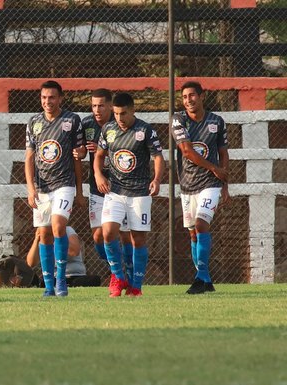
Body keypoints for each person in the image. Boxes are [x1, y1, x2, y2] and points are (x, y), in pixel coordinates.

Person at [94, 92, 165, 297]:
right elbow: (99, 156)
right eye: (115, 113)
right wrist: (99, 175)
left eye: (123, 113)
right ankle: (118, 277)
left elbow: (158, 157)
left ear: (132, 110)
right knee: (108, 232)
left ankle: (136, 286)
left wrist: (157, 180)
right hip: (115, 191)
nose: (119, 118)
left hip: (139, 193)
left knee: (138, 239)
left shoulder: (145, 130)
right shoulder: (108, 129)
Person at [25, 80, 86, 297]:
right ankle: (49, 286)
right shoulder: (33, 122)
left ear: (60, 98)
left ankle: (61, 280)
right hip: (42, 188)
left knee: (59, 226)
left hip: (64, 184)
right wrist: (30, 189)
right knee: (44, 233)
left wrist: (79, 191)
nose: (47, 101)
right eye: (44, 98)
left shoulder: (72, 120)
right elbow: (29, 158)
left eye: (51, 97)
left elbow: (79, 156)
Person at [172, 81, 230, 294]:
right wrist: (214, 167)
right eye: (185, 97)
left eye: (192, 95)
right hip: (188, 185)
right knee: (193, 234)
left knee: (201, 224)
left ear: (202, 96)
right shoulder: (179, 120)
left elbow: (223, 153)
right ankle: (205, 279)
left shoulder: (217, 121)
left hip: (210, 184)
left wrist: (224, 185)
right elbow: (186, 151)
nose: (188, 100)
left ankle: (200, 277)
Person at [73, 88, 134, 292]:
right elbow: (79, 153)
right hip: (97, 188)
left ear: (110, 106)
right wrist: (81, 152)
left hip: (121, 188)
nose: (97, 110)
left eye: (101, 105)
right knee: (98, 236)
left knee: (124, 235)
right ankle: (117, 271)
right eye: (93, 106)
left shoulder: (120, 123)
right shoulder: (87, 124)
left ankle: (124, 276)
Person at [26, 226, 100, 287]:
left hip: (75, 275)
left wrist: (57, 238)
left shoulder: (67, 230)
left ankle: (69, 285)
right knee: (40, 282)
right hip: (54, 277)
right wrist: (36, 240)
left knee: (94, 279)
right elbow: (30, 263)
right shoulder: (43, 237)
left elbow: (74, 251)